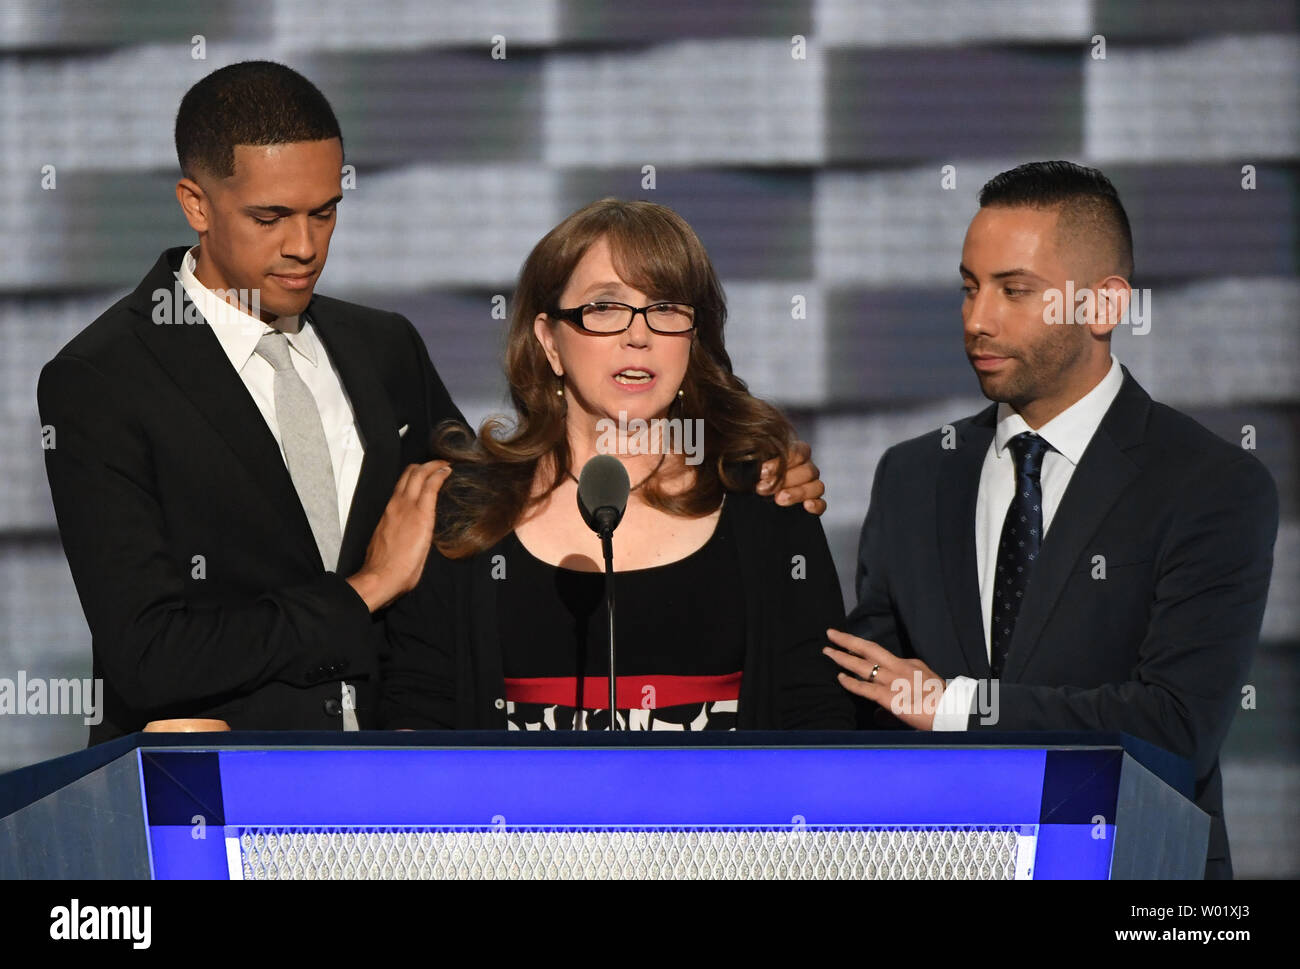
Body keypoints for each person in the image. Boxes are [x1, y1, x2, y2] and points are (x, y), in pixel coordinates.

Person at [38, 62, 826, 742]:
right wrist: (365, 590)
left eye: (325, 211)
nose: (305, 244)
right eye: (271, 217)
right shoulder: (103, 379)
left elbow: (487, 501)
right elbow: (150, 654)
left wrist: (756, 462)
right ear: (195, 204)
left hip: (390, 784)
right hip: (226, 790)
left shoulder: (383, 349)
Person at [824, 161, 1278, 878]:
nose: (978, 319)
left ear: (1104, 306)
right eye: (970, 288)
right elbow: (861, 695)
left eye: (1015, 290)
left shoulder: (1213, 485)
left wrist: (957, 707)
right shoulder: (914, 475)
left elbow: (1173, 731)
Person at [381, 199, 852, 731]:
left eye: (667, 308)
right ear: (549, 341)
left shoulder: (768, 502)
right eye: (605, 308)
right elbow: (417, 719)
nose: (639, 334)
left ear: (693, 340)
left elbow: (816, 719)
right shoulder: (465, 517)